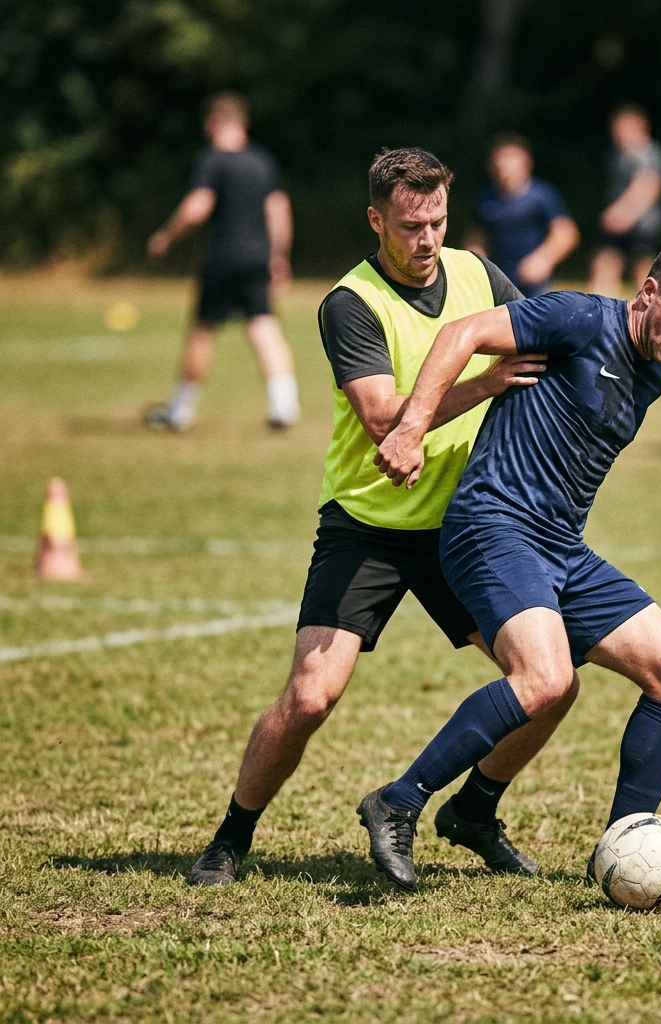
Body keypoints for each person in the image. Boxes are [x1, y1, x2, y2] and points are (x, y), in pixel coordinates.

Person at [186, 147, 578, 888]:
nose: (426, 238)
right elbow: (381, 417)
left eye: (436, 221)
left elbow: (545, 344)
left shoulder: (478, 274)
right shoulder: (350, 303)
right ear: (376, 220)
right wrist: (488, 380)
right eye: (409, 225)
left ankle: (475, 811)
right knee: (310, 695)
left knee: (548, 683)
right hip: (368, 525)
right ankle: (230, 838)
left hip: (466, 525)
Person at [360, 235, 661, 889]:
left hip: (561, 545)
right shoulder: (577, 318)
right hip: (493, 527)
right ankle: (398, 800)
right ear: (648, 291)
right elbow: (461, 333)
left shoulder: (653, 375)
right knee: (546, 680)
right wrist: (411, 426)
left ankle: (612, 841)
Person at [146, 92, 300, 432]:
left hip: (223, 257)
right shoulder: (263, 161)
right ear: (243, 124)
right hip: (258, 257)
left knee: (203, 329)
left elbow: (198, 206)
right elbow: (278, 210)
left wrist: (167, 236)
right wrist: (278, 257)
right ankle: (283, 405)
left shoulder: (213, 161)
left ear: (212, 123)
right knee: (263, 325)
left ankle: (180, 411)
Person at [465, 134, 579, 298]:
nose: (503, 164)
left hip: (533, 284)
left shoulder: (541, 195)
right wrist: (475, 264)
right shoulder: (484, 197)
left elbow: (566, 233)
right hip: (498, 280)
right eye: (499, 158)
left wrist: (543, 259)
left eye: (510, 158)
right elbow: (477, 236)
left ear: (527, 162)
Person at [587, 104, 661, 297]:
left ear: (641, 126)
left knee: (644, 274)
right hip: (619, 223)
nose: (616, 132)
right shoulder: (618, 154)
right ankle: (601, 313)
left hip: (643, 225)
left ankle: (651, 317)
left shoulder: (648, 152)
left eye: (623, 127)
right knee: (603, 263)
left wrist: (623, 213)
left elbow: (649, 185)